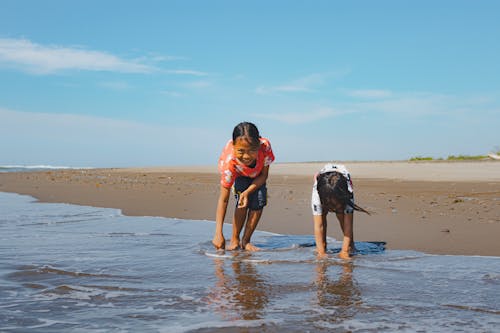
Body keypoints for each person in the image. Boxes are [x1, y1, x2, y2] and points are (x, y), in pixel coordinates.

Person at [212, 122, 275, 251]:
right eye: (241, 151)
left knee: (259, 200)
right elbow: (223, 200)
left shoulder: (265, 147)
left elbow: (263, 176)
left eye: (252, 150)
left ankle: (246, 241)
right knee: (241, 202)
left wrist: (248, 192)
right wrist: (218, 233)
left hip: (258, 176)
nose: (246, 156)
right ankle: (235, 239)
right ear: (234, 146)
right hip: (239, 173)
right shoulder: (229, 163)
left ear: (258, 146)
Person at [311, 163, 370, 259]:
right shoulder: (316, 196)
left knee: (342, 217)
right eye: (329, 204)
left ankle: (351, 245)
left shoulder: (348, 195)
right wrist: (321, 253)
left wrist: (345, 251)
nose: (331, 208)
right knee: (322, 216)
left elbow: (348, 225)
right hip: (323, 185)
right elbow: (319, 226)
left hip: (341, 185)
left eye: (334, 205)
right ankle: (323, 246)